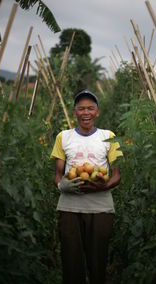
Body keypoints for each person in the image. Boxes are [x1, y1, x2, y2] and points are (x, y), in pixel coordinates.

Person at [50, 89, 122, 284]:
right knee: (71, 264)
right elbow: (58, 175)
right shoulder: (63, 137)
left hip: (100, 208)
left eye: (90, 108)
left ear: (97, 112)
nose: (86, 112)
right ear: (75, 113)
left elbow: (117, 176)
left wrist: (100, 186)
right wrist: (61, 186)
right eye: (81, 108)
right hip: (69, 208)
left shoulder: (109, 136)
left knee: (98, 263)